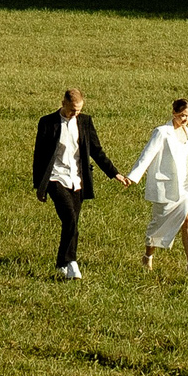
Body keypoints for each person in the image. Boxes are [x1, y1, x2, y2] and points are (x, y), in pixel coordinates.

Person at [30, 87, 129, 280]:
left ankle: (61, 263)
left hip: (77, 178)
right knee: (69, 217)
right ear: (63, 103)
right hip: (55, 177)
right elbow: (39, 156)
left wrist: (114, 173)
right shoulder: (47, 122)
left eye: (79, 109)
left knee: (72, 222)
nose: (75, 113)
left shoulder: (85, 122)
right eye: (72, 109)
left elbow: (96, 151)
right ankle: (72, 262)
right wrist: (40, 186)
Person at [124, 99, 188, 277]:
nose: (186, 120)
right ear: (174, 113)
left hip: (186, 187)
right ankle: (148, 256)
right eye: (183, 115)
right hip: (166, 188)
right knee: (158, 225)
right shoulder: (162, 132)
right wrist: (133, 176)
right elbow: (147, 155)